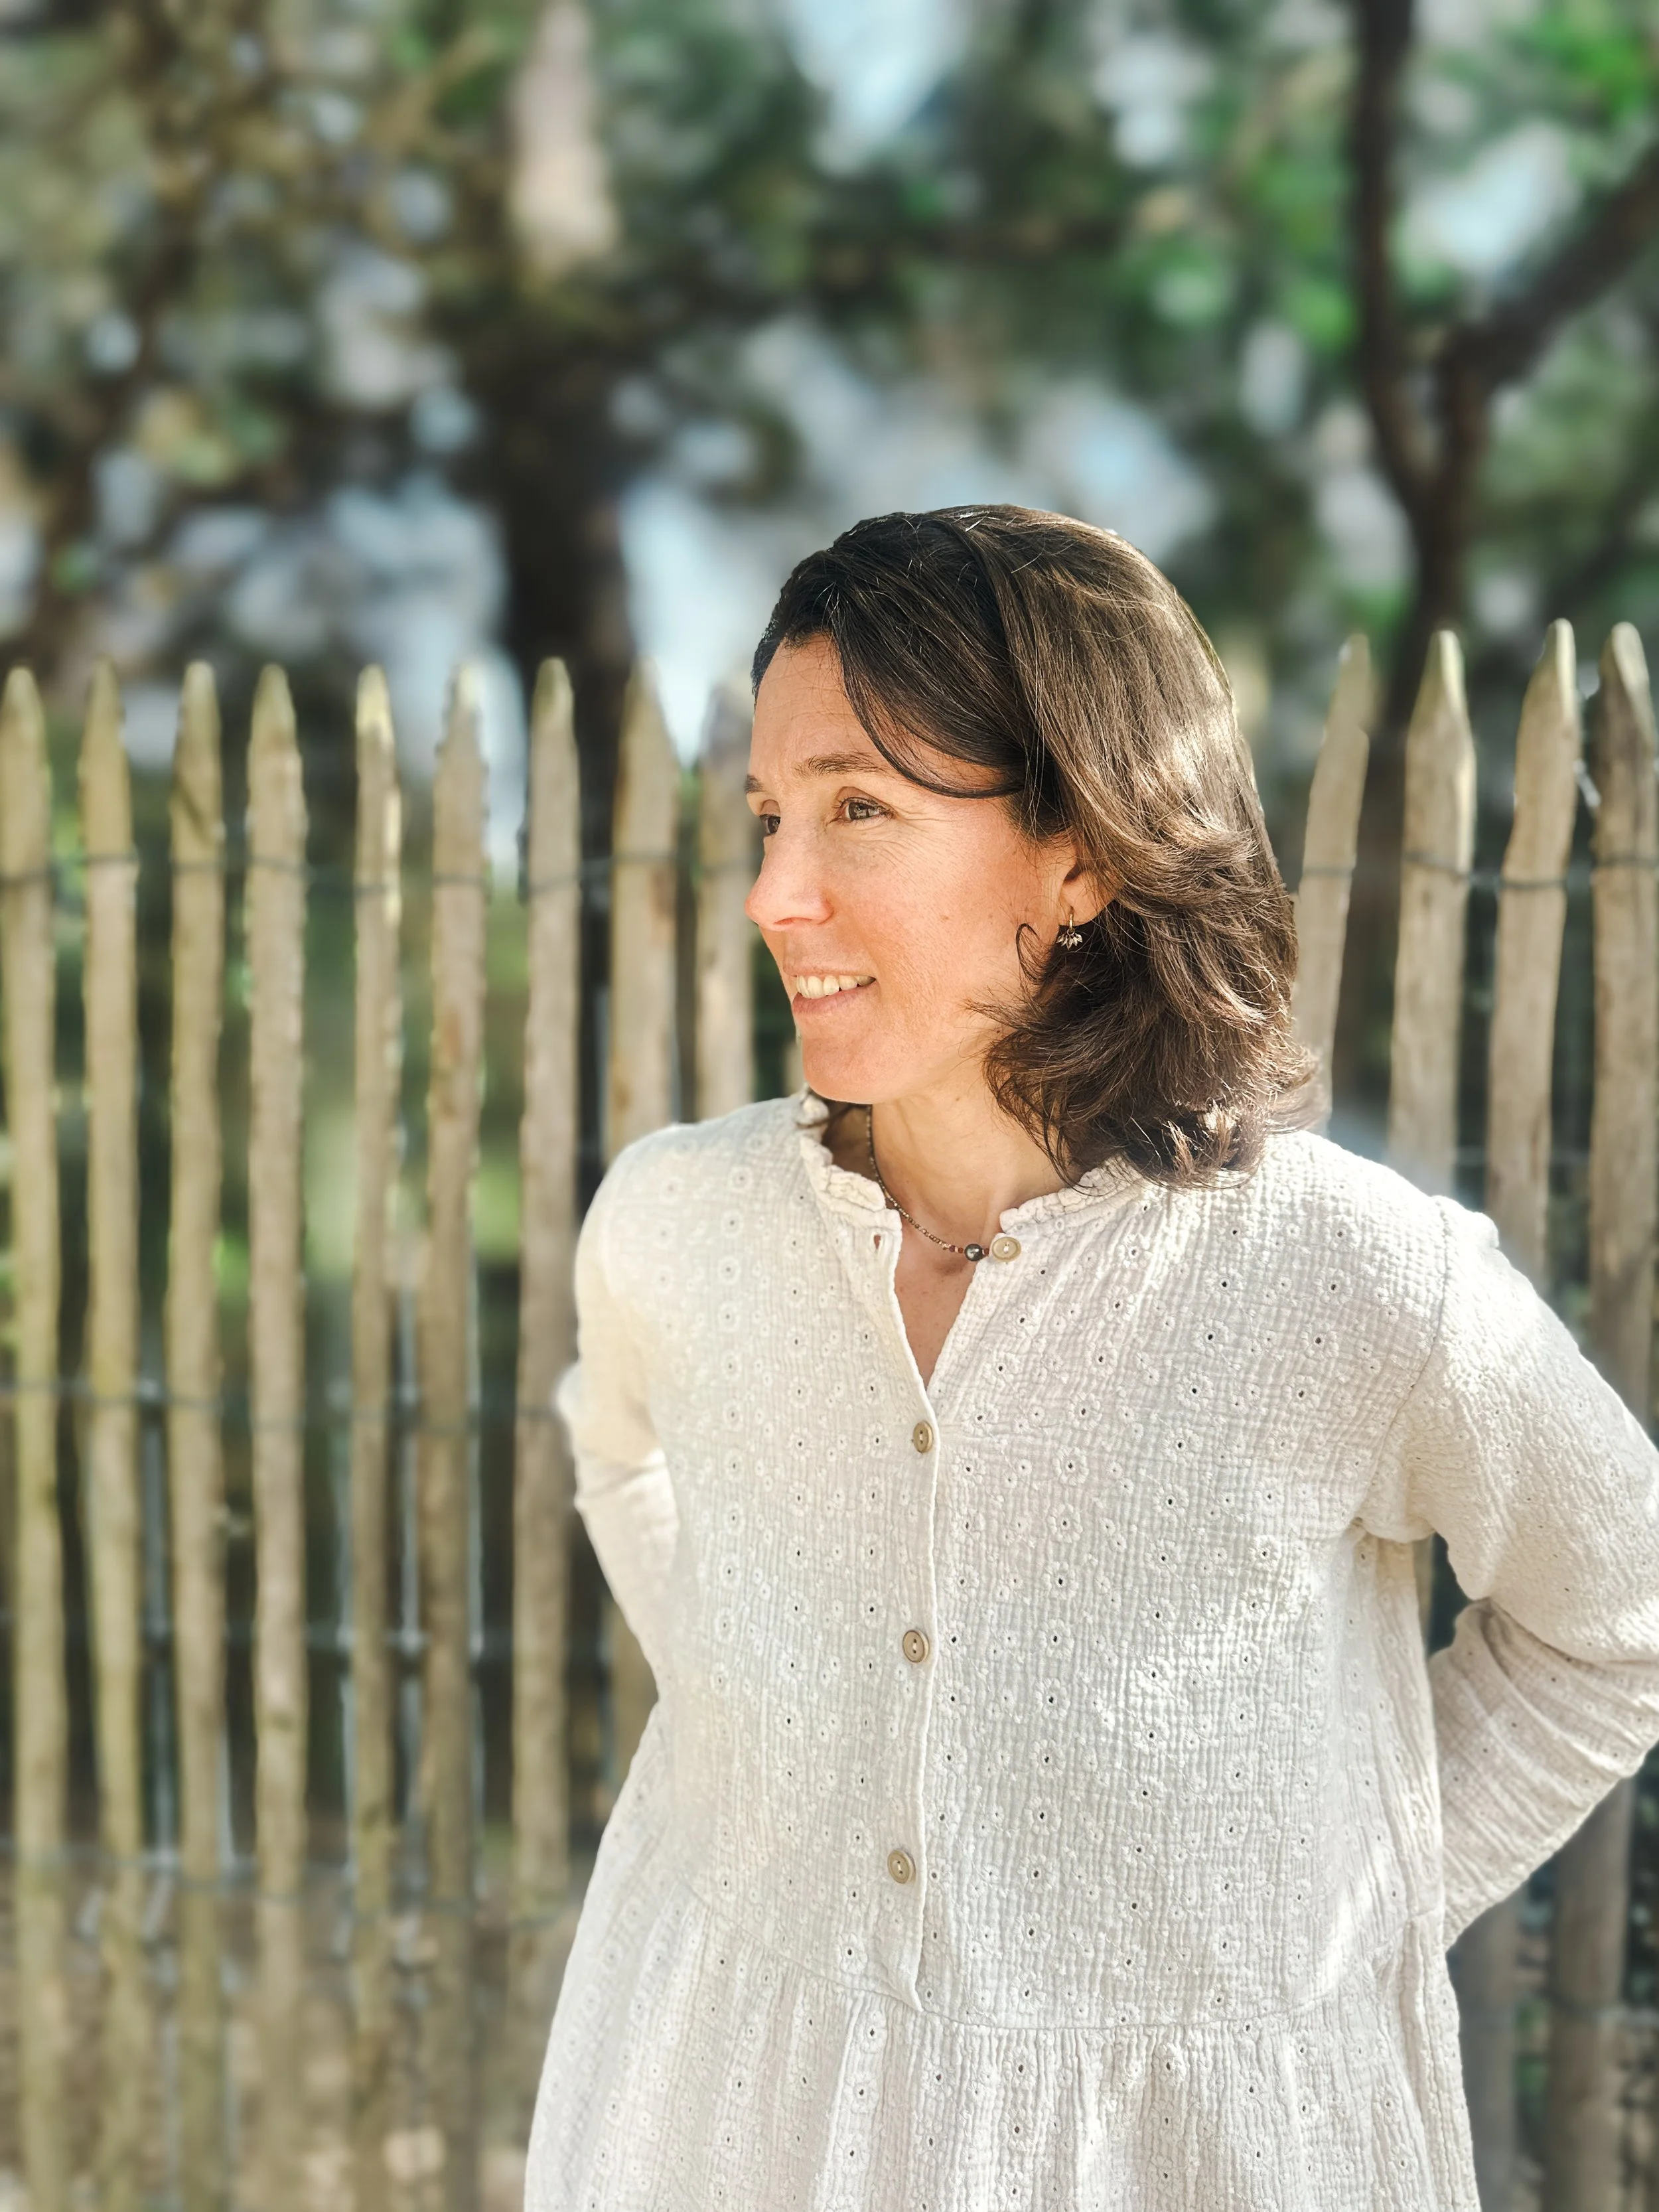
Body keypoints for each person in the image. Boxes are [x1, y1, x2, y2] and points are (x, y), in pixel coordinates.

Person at [524, 506, 1659, 2210]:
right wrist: (755, 1720)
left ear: (1082, 856)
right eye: (766, 814)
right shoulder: (678, 1223)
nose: (773, 891)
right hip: (710, 2109)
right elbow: (618, 1449)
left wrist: (1344, 1908)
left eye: (857, 808)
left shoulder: (1350, 1281)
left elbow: (1619, 1621)